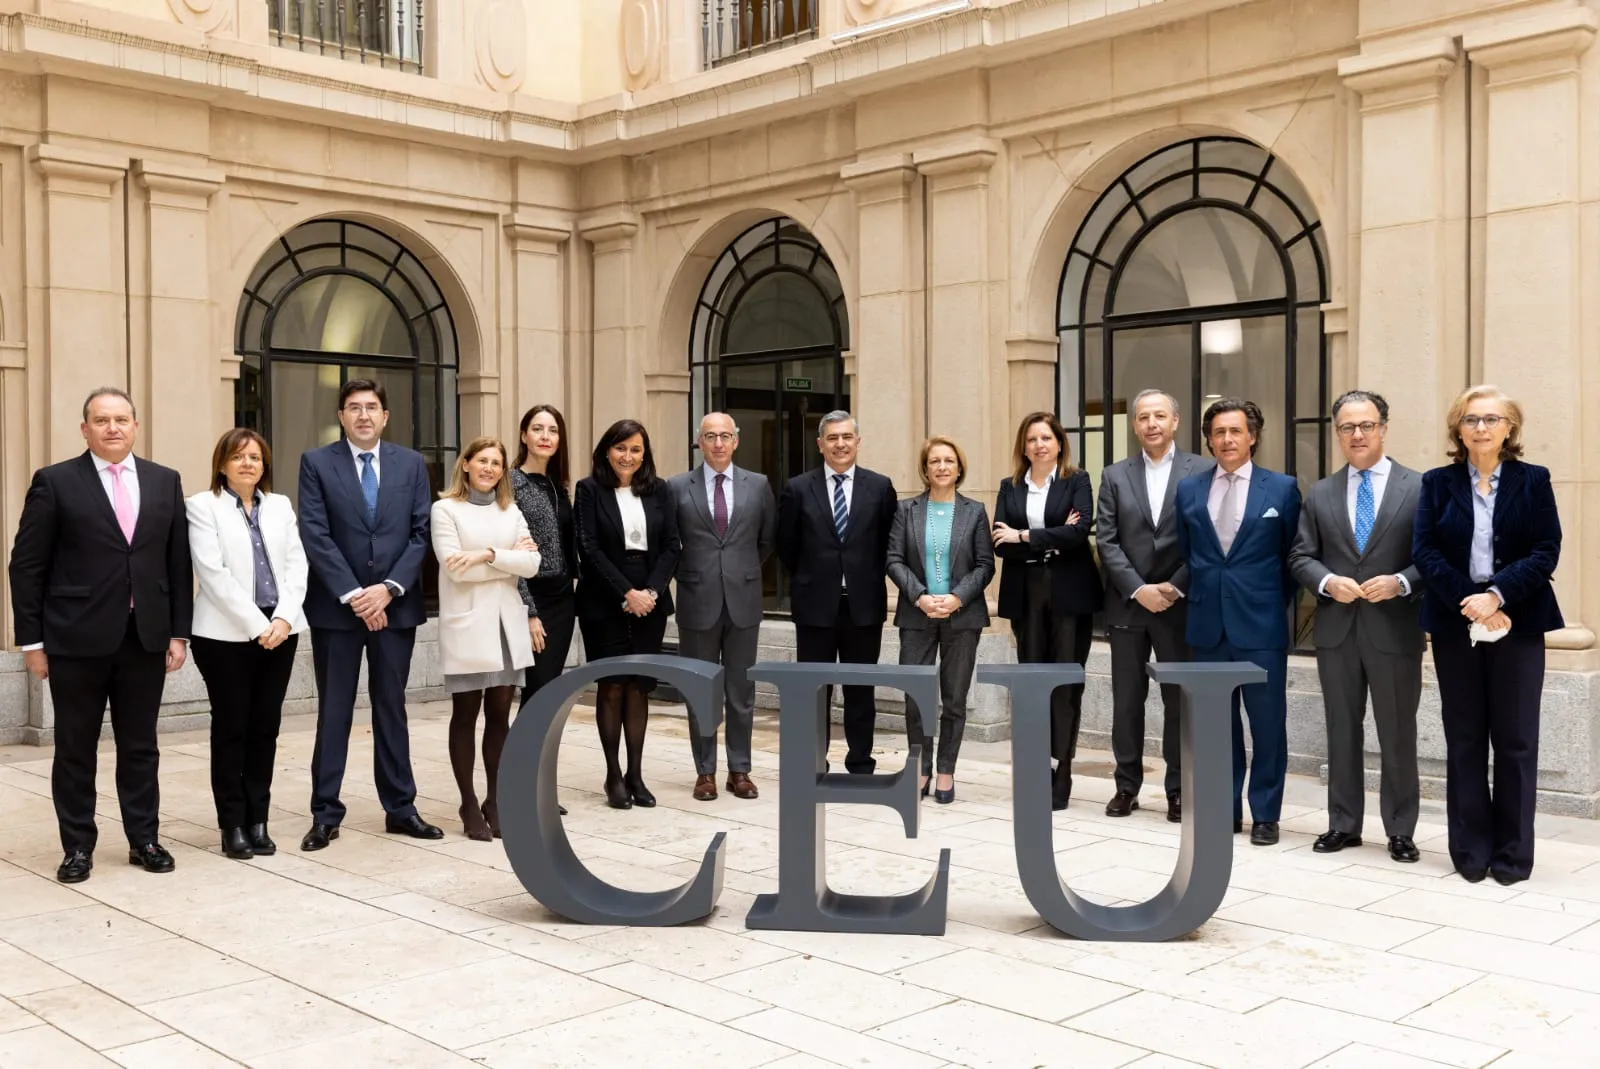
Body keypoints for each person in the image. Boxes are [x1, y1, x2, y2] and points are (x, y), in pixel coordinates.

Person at [9, 387, 193, 883]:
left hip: (145, 638)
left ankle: (144, 839)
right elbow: (26, 566)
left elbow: (177, 563)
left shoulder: (164, 481)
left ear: (136, 426)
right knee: (75, 747)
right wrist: (32, 642)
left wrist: (179, 633)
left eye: (121, 419)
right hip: (74, 640)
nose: (113, 428)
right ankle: (77, 847)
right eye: (101, 420)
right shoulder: (55, 482)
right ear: (85, 428)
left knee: (140, 745)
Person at [1413, 385, 1562, 886]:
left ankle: (1514, 857)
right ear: (1459, 428)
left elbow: (1546, 550)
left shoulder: (1533, 480)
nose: (1481, 428)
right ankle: (1470, 851)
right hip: (1458, 624)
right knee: (1465, 738)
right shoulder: (1437, 483)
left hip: (1518, 622)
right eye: (1472, 419)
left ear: (1509, 429)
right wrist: (1471, 601)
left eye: (1492, 419)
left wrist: (1497, 596)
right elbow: (1426, 552)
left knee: (1517, 741)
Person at [297, 379, 442, 851]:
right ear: (341, 416)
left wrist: (388, 590)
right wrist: (357, 594)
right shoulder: (317, 463)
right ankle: (325, 813)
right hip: (338, 611)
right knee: (334, 711)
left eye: (372, 407)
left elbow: (421, 534)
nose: (363, 415)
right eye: (354, 408)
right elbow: (315, 533)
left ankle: (401, 808)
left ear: (385, 416)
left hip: (394, 608)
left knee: (391, 708)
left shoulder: (411, 464)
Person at [1289, 390, 1424, 864]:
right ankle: (1343, 824)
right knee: (1341, 730)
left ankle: (1401, 830)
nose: (1357, 435)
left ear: (1384, 428)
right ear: (1338, 433)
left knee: (1397, 732)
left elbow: (1433, 557)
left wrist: (1403, 582)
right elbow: (1300, 555)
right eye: (1347, 427)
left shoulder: (1419, 487)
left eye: (1366, 425)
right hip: (1338, 631)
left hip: (1394, 631)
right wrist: (1326, 582)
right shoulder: (1321, 492)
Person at [1174, 398, 1301, 846]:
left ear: (1252, 436)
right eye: (1219, 433)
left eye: (1235, 431)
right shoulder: (1190, 490)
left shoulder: (1282, 489)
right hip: (1207, 624)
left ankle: (1265, 813)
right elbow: (1190, 554)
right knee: (1215, 726)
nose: (1227, 440)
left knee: (1268, 725)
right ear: (1208, 440)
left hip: (1261, 626)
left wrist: (1267, 603)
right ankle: (1223, 809)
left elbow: (1292, 558)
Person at [186, 429, 308, 861]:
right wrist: (258, 624)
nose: (248, 464)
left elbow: (297, 565)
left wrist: (283, 619)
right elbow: (212, 573)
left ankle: (259, 820)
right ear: (222, 464)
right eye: (238, 457)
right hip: (225, 637)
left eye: (255, 457)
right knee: (232, 726)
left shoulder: (280, 506)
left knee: (265, 728)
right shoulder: (202, 506)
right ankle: (232, 824)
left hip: (281, 633)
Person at [1096, 390, 1212, 822]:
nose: (1151, 424)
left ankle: (1178, 789)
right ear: (1134, 425)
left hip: (1178, 604)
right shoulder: (1114, 475)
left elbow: (1206, 535)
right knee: (1127, 701)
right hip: (1128, 607)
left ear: (1176, 421)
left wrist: (1173, 586)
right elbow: (1105, 540)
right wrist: (1137, 588)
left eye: (1159, 415)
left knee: (1178, 702)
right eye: (1143, 417)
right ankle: (1126, 786)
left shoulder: (1202, 469)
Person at [433, 437, 543, 840]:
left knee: (499, 717)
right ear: (466, 465)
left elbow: (532, 565)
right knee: (466, 715)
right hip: (468, 626)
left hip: (505, 627)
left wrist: (484, 555)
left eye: (496, 463)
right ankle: (467, 802)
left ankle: (495, 800)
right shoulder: (445, 509)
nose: (489, 468)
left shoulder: (509, 509)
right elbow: (454, 569)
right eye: (482, 461)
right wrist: (504, 559)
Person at [776, 411, 898, 774]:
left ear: (857, 442)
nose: (840, 444)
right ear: (820, 444)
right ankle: (814, 760)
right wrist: (814, 579)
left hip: (863, 606)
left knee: (861, 689)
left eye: (846, 437)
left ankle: (860, 760)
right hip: (815, 606)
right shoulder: (798, 488)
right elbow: (787, 546)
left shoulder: (880, 487)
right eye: (832, 438)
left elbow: (888, 543)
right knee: (815, 690)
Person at [992, 411, 1103, 810]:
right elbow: (999, 544)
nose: (1039, 445)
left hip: (1070, 593)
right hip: (1027, 593)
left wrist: (1025, 535)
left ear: (1059, 443)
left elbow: (1079, 532)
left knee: (1065, 683)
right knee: (1033, 684)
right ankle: (1036, 769)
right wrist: (1050, 538)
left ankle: (1064, 770)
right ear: (1024, 446)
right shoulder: (1010, 487)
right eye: (1032, 439)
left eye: (1046, 438)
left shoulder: (1077, 480)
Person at [574, 419, 681, 809]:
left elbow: (672, 545)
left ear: (644, 454)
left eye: (636, 449)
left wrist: (650, 592)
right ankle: (613, 775)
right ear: (607, 450)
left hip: (650, 599)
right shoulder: (589, 490)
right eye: (621, 448)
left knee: (639, 685)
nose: (628, 456)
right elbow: (589, 547)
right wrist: (627, 592)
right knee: (612, 684)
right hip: (605, 599)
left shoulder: (660, 490)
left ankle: (636, 773)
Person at [669, 412, 777, 802]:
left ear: (736, 441)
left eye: (725, 436)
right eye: (710, 436)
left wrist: (740, 572)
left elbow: (767, 541)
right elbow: (670, 544)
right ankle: (705, 772)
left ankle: (740, 770)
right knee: (701, 690)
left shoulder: (758, 485)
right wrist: (695, 574)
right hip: (697, 601)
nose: (718, 443)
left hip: (743, 601)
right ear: (699, 441)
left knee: (741, 692)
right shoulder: (677, 487)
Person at [886, 437, 994, 804]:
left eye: (949, 461)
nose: (942, 467)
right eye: (935, 461)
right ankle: (921, 767)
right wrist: (919, 596)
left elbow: (985, 564)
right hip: (916, 616)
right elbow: (894, 559)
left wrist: (956, 597)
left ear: (959, 468)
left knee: (954, 698)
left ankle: (946, 769)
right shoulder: (907, 510)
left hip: (962, 617)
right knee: (916, 697)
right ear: (926, 468)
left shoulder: (975, 511)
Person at [511, 404, 576, 817]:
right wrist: (529, 611)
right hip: (531, 599)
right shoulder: (510, 482)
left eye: (552, 430)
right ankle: (519, 785)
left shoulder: (559, 486)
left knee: (549, 695)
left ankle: (539, 785)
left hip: (562, 599)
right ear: (524, 435)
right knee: (534, 694)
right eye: (537, 429)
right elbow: (511, 551)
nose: (545, 436)